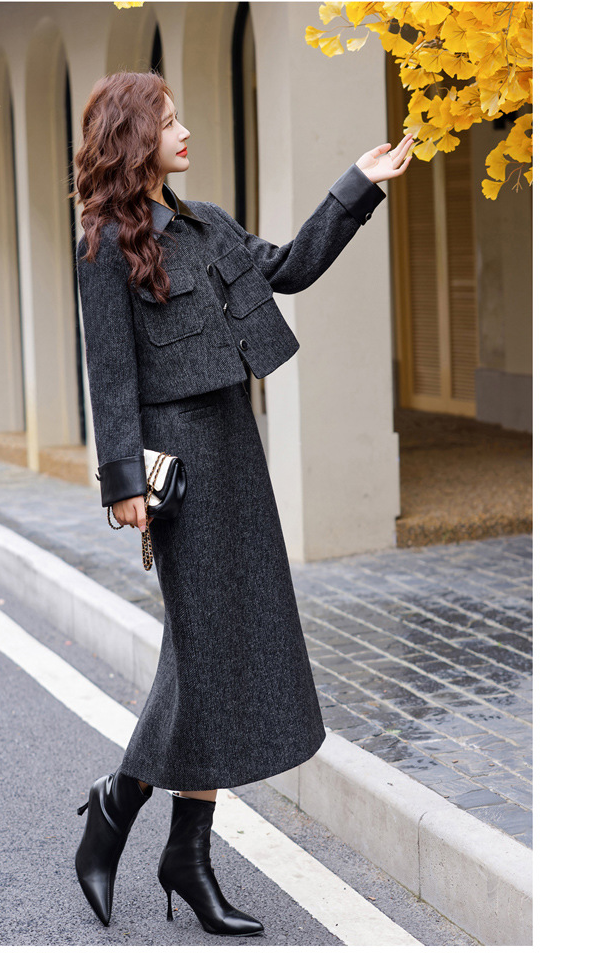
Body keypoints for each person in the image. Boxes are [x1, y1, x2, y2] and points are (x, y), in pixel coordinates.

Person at [72, 70, 413, 937]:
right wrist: (123, 484)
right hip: (177, 472)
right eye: (168, 120)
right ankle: (129, 812)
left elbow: (290, 268)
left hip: (235, 448)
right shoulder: (106, 244)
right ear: (134, 138)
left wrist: (358, 185)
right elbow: (109, 372)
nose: (184, 131)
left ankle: (174, 845)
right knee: (207, 654)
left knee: (214, 656)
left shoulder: (207, 224)